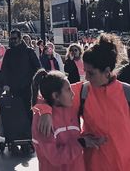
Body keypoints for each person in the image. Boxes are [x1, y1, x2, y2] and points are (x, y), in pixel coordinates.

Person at [38, 34, 130, 171]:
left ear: (107, 71)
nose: (86, 77)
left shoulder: (127, 93)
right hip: (92, 165)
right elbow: (48, 94)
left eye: (91, 73)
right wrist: (45, 110)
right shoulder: (83, 91)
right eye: (85, 71)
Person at [31, 69, 85, 171]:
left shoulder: (71, 106)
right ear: (55, 96)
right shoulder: (42, 121)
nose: (73, 94)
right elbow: (55, 158)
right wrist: (82, 143)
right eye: (68, 89)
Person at [1, 29, 41, 123]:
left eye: (15, 38)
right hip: (13, 87)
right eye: (11, 39)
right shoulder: (9, 52)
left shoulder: (29, 51)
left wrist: (37, 82)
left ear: (20, 38)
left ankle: (31, 130)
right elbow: (4, 70)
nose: (13, 40)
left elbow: (37, 67)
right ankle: (21, 131)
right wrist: (5, 84)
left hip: (28, 86)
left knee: (30, 109)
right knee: (17, 110)